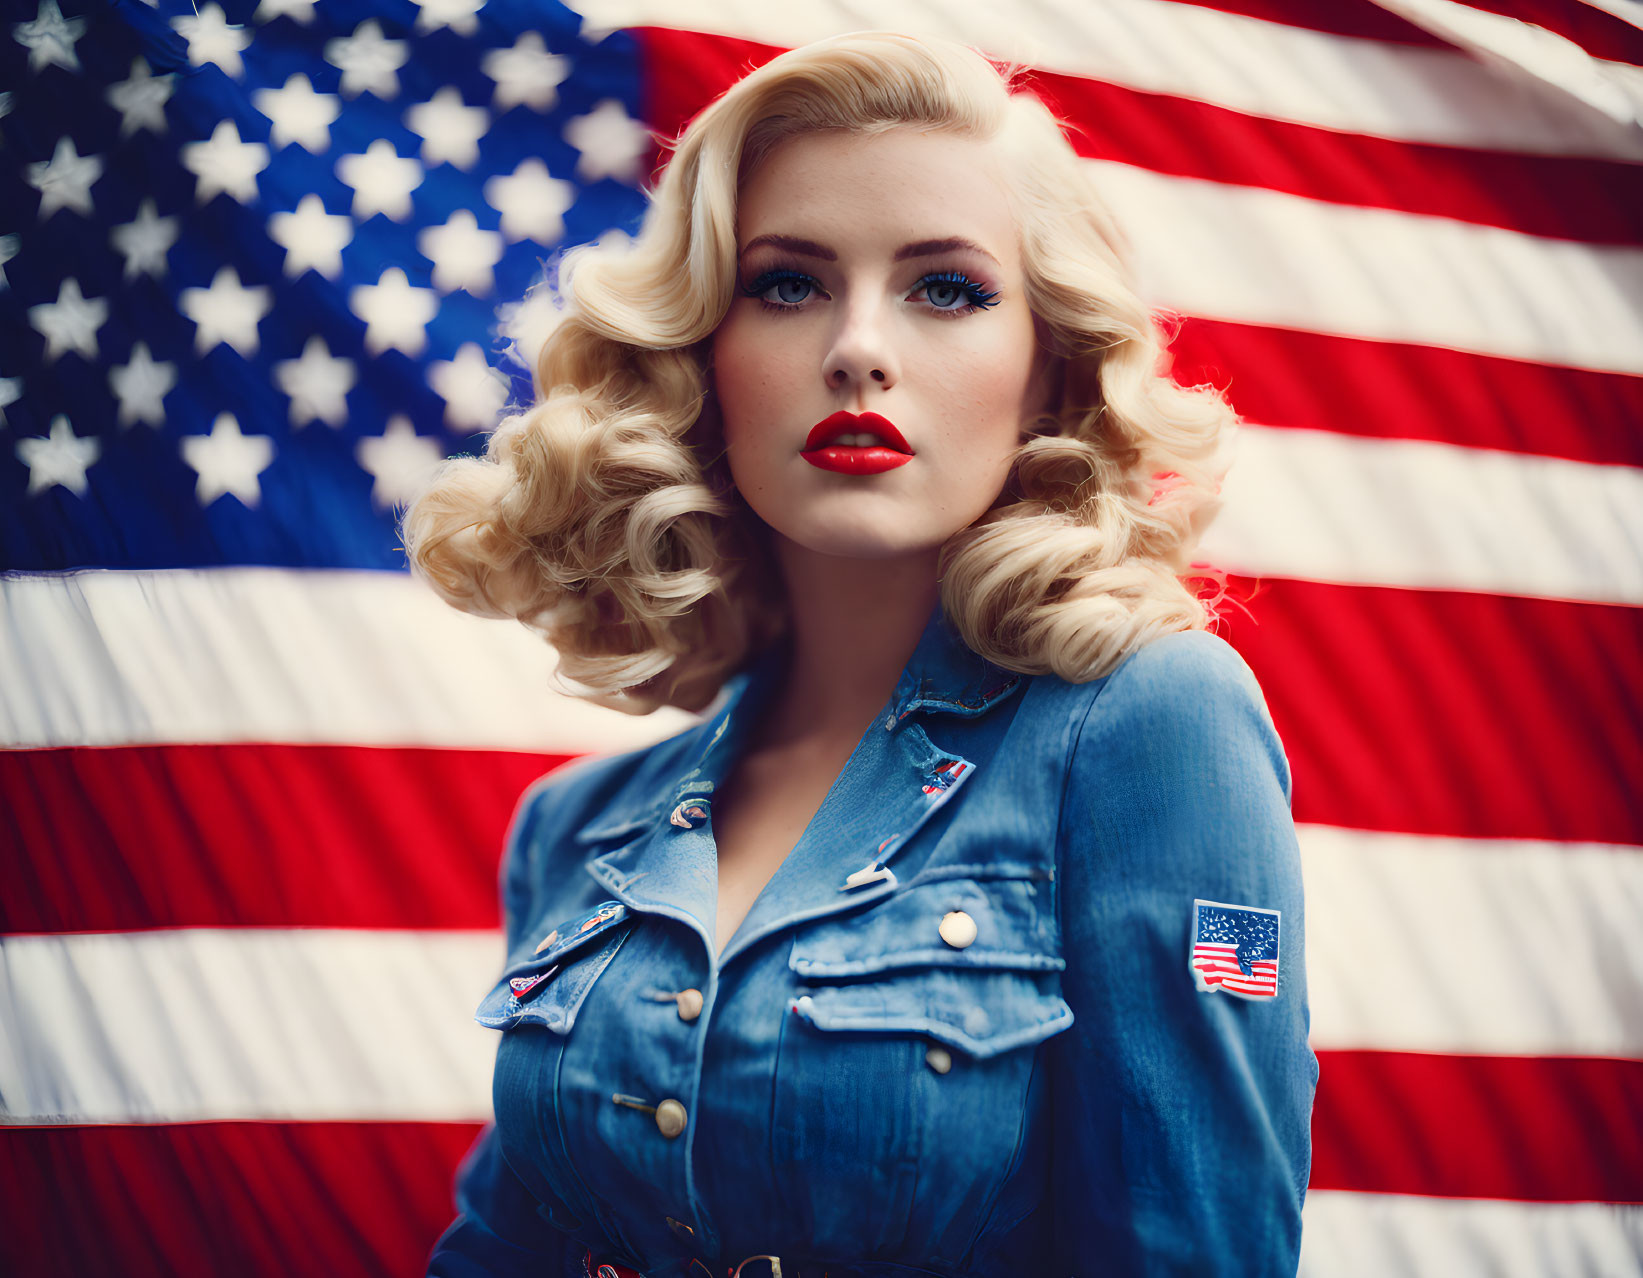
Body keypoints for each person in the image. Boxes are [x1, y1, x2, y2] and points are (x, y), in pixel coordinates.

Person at [405, 29, 1316, 1278]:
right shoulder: (576, 829)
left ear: (1044, 361)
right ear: (695, 358)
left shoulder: (1152, 724)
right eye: (787, 284)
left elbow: (1191, 1251)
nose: (857, 349)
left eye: (945, 288)